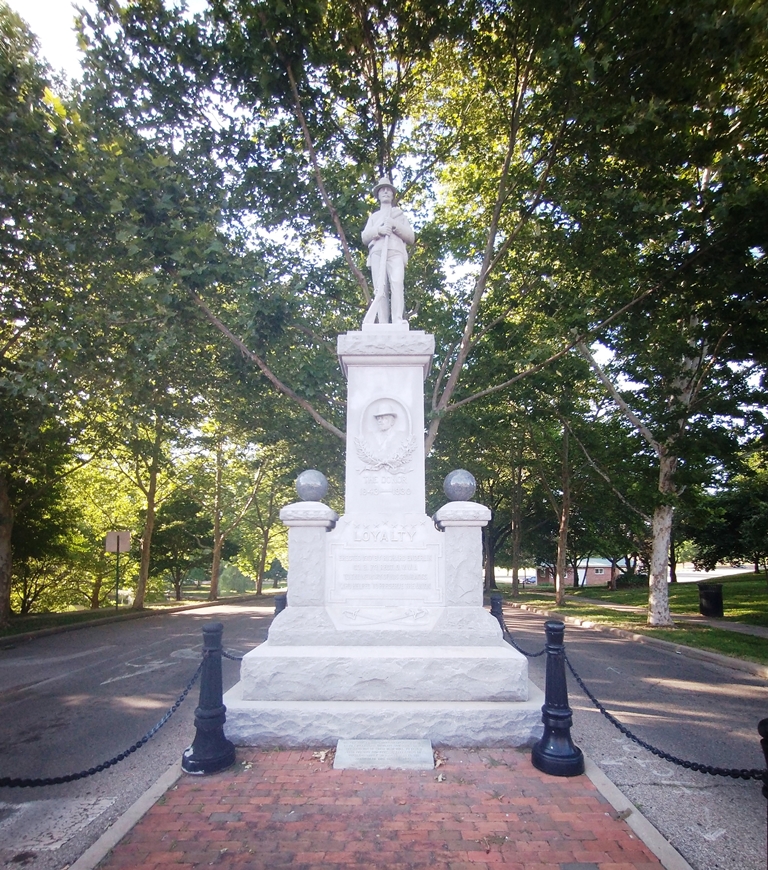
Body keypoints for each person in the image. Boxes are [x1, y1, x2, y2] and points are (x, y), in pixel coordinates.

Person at [361, 176, 415, 325]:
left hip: (395, 251)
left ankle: (397, 319)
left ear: (392, 194)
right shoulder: (374, 217)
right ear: (378, 195)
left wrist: (394, 225)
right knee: (380, 288)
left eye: (388, 190)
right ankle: (383, 322)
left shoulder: (399, 215)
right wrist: (379, 230)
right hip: (377, 252)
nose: (385, 192)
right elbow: (365, 237)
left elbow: (411, 237)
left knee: (397, 283)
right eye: (382, 190)